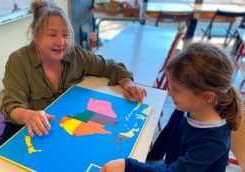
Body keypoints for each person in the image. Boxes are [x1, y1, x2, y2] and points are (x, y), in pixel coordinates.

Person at [0, 0, 147, 147]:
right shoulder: (18, 61)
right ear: (35, 35)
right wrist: (29, 115)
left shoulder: (75, 54)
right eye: (52, 35)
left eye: (66, 34)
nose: (61, 42)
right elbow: (12, 106)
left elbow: (109, 66)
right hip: (24, 130)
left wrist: (128, 83)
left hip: (59, 127)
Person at [99, 42, 242, 172]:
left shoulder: (215, 140)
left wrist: (130, 166)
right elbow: (165, 138)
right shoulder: (187, 108)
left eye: (176, 89)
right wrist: (146, 160)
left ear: (207, 97)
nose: (169, 93)